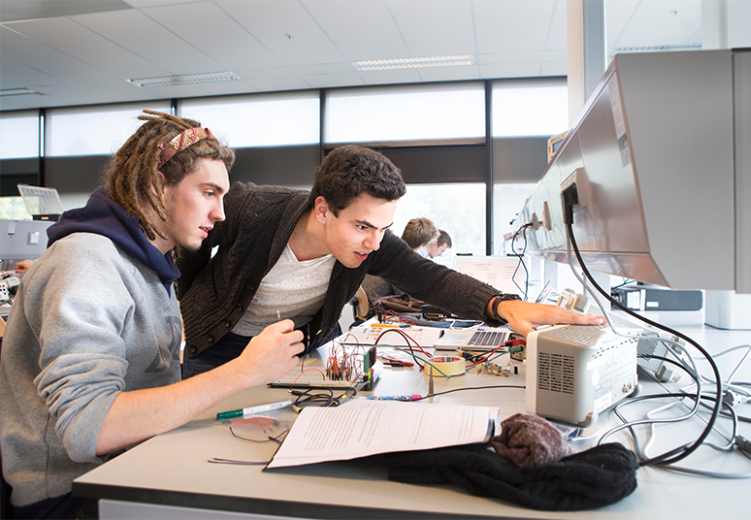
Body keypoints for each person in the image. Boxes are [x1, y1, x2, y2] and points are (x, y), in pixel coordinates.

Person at [0, 111, 303, 520]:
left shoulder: (149, 264)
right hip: (72, 495)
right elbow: (90, 427)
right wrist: (241, 372)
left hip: (133, 463)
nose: (221, 213)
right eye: (209, 192)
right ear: (157, 184)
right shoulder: (88, 261)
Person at [177, 144, 604, 377]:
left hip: (293, 348)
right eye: (363, 226)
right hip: (219, 342)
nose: (374, 242)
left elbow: (429, 278)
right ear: (323, 209)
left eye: (384, 228)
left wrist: (503, 306)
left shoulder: (373, 243)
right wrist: (185, 303)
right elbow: (189, 245)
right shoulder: (253, 208)